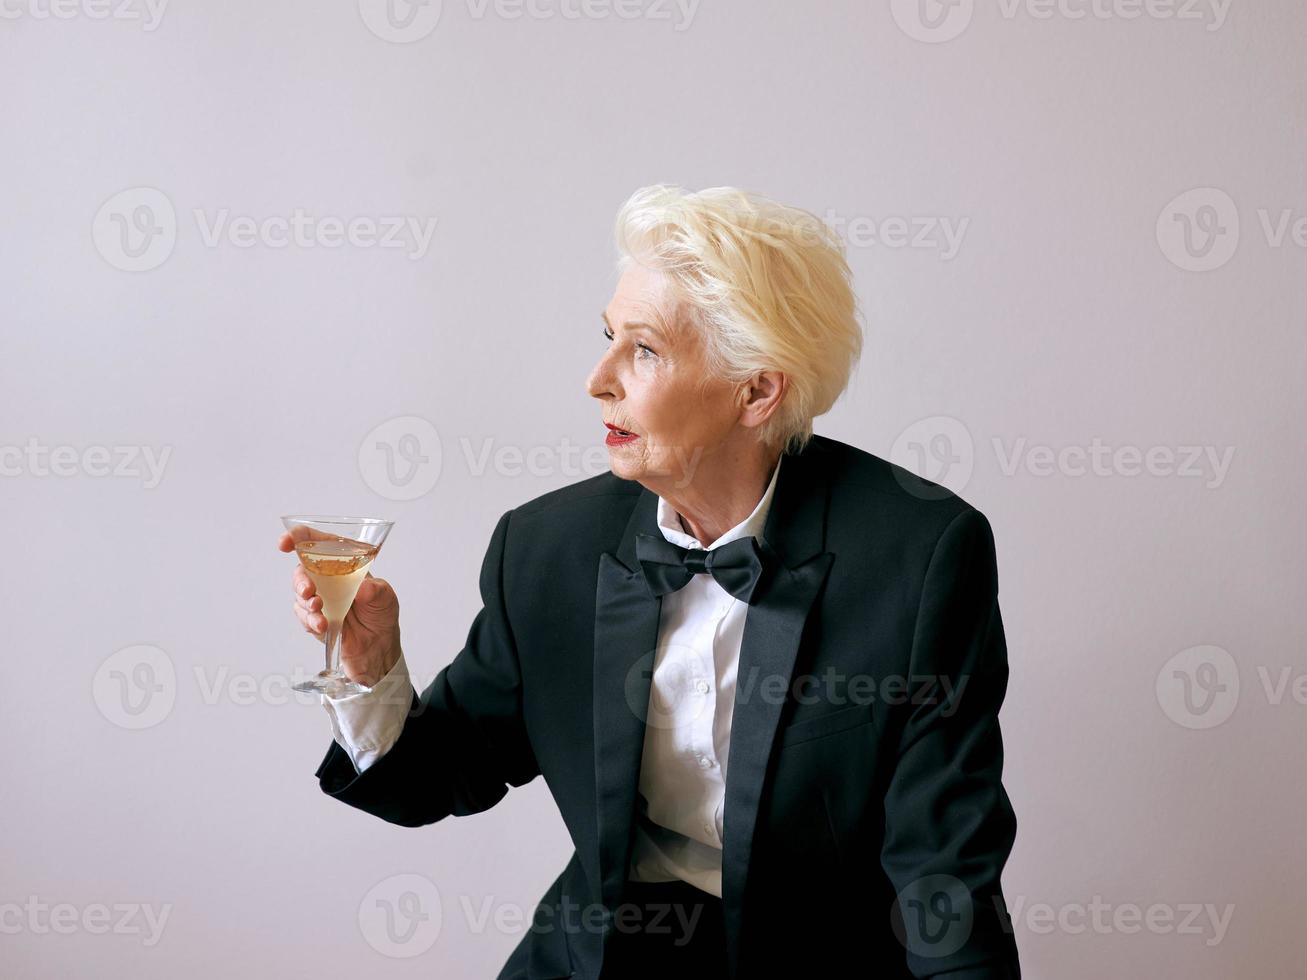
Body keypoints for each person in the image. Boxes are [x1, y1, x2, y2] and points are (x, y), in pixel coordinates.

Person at [278, 185, 1022, 979]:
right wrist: (369, 671)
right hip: (593, 959)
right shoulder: (545, 547)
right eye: (607, 338)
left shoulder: (919, 556)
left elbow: (943, 870)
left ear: (756, 389)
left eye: (644, 349)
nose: (598, 380)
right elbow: (441, 776)